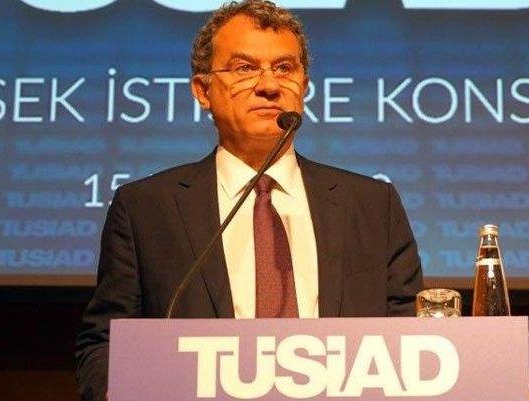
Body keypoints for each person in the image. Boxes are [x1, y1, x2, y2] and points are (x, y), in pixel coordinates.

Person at [75, 1, 423, 400]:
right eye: (244, 68)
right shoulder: (145, 210)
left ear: (305, 86)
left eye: (285, 68)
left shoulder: (373, 206)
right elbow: (104, 346)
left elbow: (412, 339)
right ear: (203, 90)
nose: (269, 85)